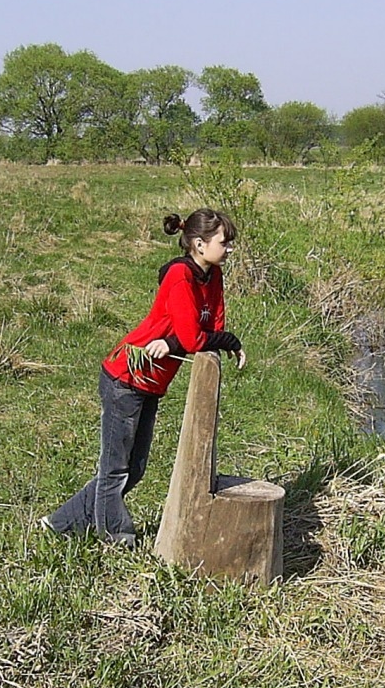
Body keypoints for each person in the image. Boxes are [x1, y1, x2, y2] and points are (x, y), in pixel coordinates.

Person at [43, 209, 245, 547]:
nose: (229, 250)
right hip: (126, 376)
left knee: (134, 469)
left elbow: (211, 328)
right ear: (198, 243)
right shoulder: (181, 276)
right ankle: (117, 537)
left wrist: (173, 343)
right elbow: (196, 339)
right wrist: (228, 342)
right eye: (224, 243)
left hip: (152, 381)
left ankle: (61, 523)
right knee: (116, 469)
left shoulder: (214, 276)